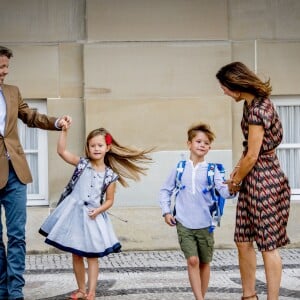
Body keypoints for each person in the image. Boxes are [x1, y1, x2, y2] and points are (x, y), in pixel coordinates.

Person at [39, 126, 152, 300]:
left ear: (107, 148)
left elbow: (109, 200)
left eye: (100, 145)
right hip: (74, 215)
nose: (96, 149)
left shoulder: (110, 176)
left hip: (93, 217)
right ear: (88, 148)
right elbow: (61, 151)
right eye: (93, 146)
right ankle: (81, 290)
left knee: (91, 255)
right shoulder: (82, 164)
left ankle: (91, 291)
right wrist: (64, 131)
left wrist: (98, 210)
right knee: (76, 254)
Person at [0, 45, 72, 300]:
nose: (4, 72)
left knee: (17, 235)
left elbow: (29, 116)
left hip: (15, 173)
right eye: (0, 67)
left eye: (6, 67)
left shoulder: (11, 92)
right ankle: (1, 290)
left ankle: (15, 290)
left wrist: (55, 122)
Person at [216, 61, 291, 300]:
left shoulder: (259, 110)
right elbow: (247, 150)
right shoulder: (249, 106)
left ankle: (272, 298)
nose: (224, 92)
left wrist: (236, 181)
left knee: (268, 245)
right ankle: (249, 296)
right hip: (253, 178)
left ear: (236, 86)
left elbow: (253, 155)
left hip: (264, 181)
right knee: (242, 240)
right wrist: (237, 172)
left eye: (225, 87)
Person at [159, 123, 234, 300]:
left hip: (206, 224)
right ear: (189, 143)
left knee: (205, 262)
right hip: (184, 222)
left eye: (206, 143)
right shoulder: (179, 168)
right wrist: (166, 211)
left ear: (209, 147)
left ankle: (202, 295)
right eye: (198, 141)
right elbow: (165, 190)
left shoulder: (213, 170)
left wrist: (232, 186)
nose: (202, 145)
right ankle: (199, 298)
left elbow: (224, 193)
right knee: (193, 260)